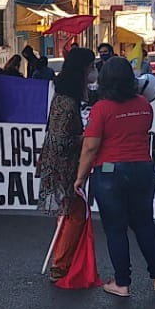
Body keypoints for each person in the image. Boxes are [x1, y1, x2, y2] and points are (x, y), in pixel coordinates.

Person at [75, 56, 155, 297]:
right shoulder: (143, 104)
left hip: (110, 172)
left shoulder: (102, 109)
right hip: (142, 169)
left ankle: (122, 282)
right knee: (145, 224)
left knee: (116, 229)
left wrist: (80, 177)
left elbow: (90, 147)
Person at [37, 47, 96, 282]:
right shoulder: (67, 102)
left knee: (69, 213)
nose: (93, 72)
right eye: (90, 67)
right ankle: (60, 264)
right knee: (75, 213)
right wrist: (87, 136)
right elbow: (62, 140)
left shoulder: (62, 97)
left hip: (59, 163)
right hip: (64, 166)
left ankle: (62, 261)